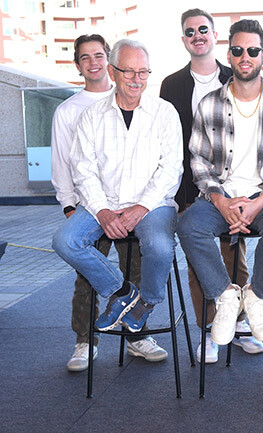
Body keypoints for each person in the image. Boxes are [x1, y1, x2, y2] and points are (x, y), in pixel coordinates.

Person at [177, 19, 263, 348]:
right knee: (189, 225)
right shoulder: (209, 105)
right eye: (237, 50)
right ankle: (226, 296)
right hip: (221, 197)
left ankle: (257, 296)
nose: (245, 56)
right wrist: (222, 202)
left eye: (252, 50)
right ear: (228, 55)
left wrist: (258, 202)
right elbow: (198, 161)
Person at [52, 34, 168, 371]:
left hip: (141, 204)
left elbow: (169, 167)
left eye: (142, 72)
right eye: (85, 57)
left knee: (141, 260)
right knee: (79, 262)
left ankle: (137, 334)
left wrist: (140, 209)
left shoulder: (159, 110)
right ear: (116, 71)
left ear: (107, 62)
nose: (136, 78)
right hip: (91, 203)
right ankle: (86, 339)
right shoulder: (75, 111)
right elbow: (72, 165)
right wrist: (82, 208)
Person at [160, 8, 263, 364]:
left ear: (215, 35)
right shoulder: (171, 85)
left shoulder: (235, 72)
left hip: (237, 189)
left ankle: (239, 325)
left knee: (237, 256)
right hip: (194, 190)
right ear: (184, 39)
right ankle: (209, 330)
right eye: (190, 31)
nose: (197, 35)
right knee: (198, 260)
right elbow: (173, 143)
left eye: (203, 29)